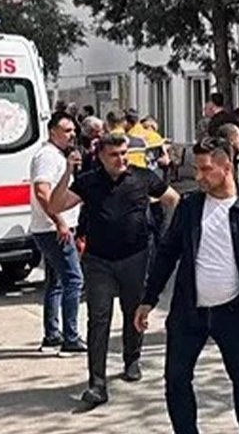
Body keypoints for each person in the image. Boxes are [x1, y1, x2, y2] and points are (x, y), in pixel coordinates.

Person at [136, 136, 239, 434]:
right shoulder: (190, 206)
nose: (198, 176)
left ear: (227, 167)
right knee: (176, 380)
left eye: (206, 169)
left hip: (233, 311)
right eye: (197, 169)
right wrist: (148, 298)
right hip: (188, 311)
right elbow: (167, 252)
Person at [46, 132, 182, 406]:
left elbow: (173, 199)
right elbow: (55, 204)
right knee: (98, 318)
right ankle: (97, 384)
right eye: (114, 155)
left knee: (133, 311)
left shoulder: (143, 177)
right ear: (101, 156)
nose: (121, 159)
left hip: (135, 257)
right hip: (98, 261)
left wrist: (168, 232)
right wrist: (67, 172)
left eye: (123, 153)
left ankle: (132, 358)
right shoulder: (88, 181)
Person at [29, 112, 86, 354]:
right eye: (67, 130)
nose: (72, 134)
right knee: (74, 279)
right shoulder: (47, 157)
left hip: (53, 227)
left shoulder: (59, 156)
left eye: (73, 130)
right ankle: (70, 337)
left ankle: (52, 335)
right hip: (52, 229)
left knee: (56, 283)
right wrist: (59, 221)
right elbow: (42, 192)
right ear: (53, 132)